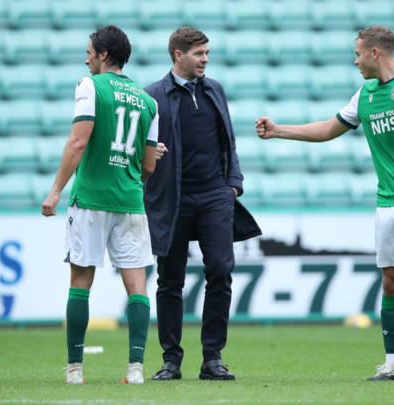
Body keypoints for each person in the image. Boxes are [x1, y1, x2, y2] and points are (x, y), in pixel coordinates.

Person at [256, 26, 394, 382]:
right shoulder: (364, 94)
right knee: (393, 282)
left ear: (376, 53)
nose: (355, 59)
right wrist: (278, 130)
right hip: (387, 202)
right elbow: (329, 128)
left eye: (358, 53)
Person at [41, 25, 159, 385]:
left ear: (104, 54)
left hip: (91, 198)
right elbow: (150, 166)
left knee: (80, 282)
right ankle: (136, 369)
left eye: (89, 51)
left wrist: (56, 190)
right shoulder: (149, 100)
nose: (86, 57)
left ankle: (75, 370)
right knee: (137, 286)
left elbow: (79, 142)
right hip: (131, 202)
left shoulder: (89, 86)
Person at [143, 26, 261, 381]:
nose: (205, 59)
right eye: (199, 54)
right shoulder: (152, 97)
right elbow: (137, 150)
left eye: (207, 53)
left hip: (214, 196)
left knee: (221, 272)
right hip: (172, 199)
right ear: (178, 55)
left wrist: (233, 186)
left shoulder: (215, 90)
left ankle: (212, 358)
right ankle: (171, 361)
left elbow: (229, 143)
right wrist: (150, 158)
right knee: (170, 281)